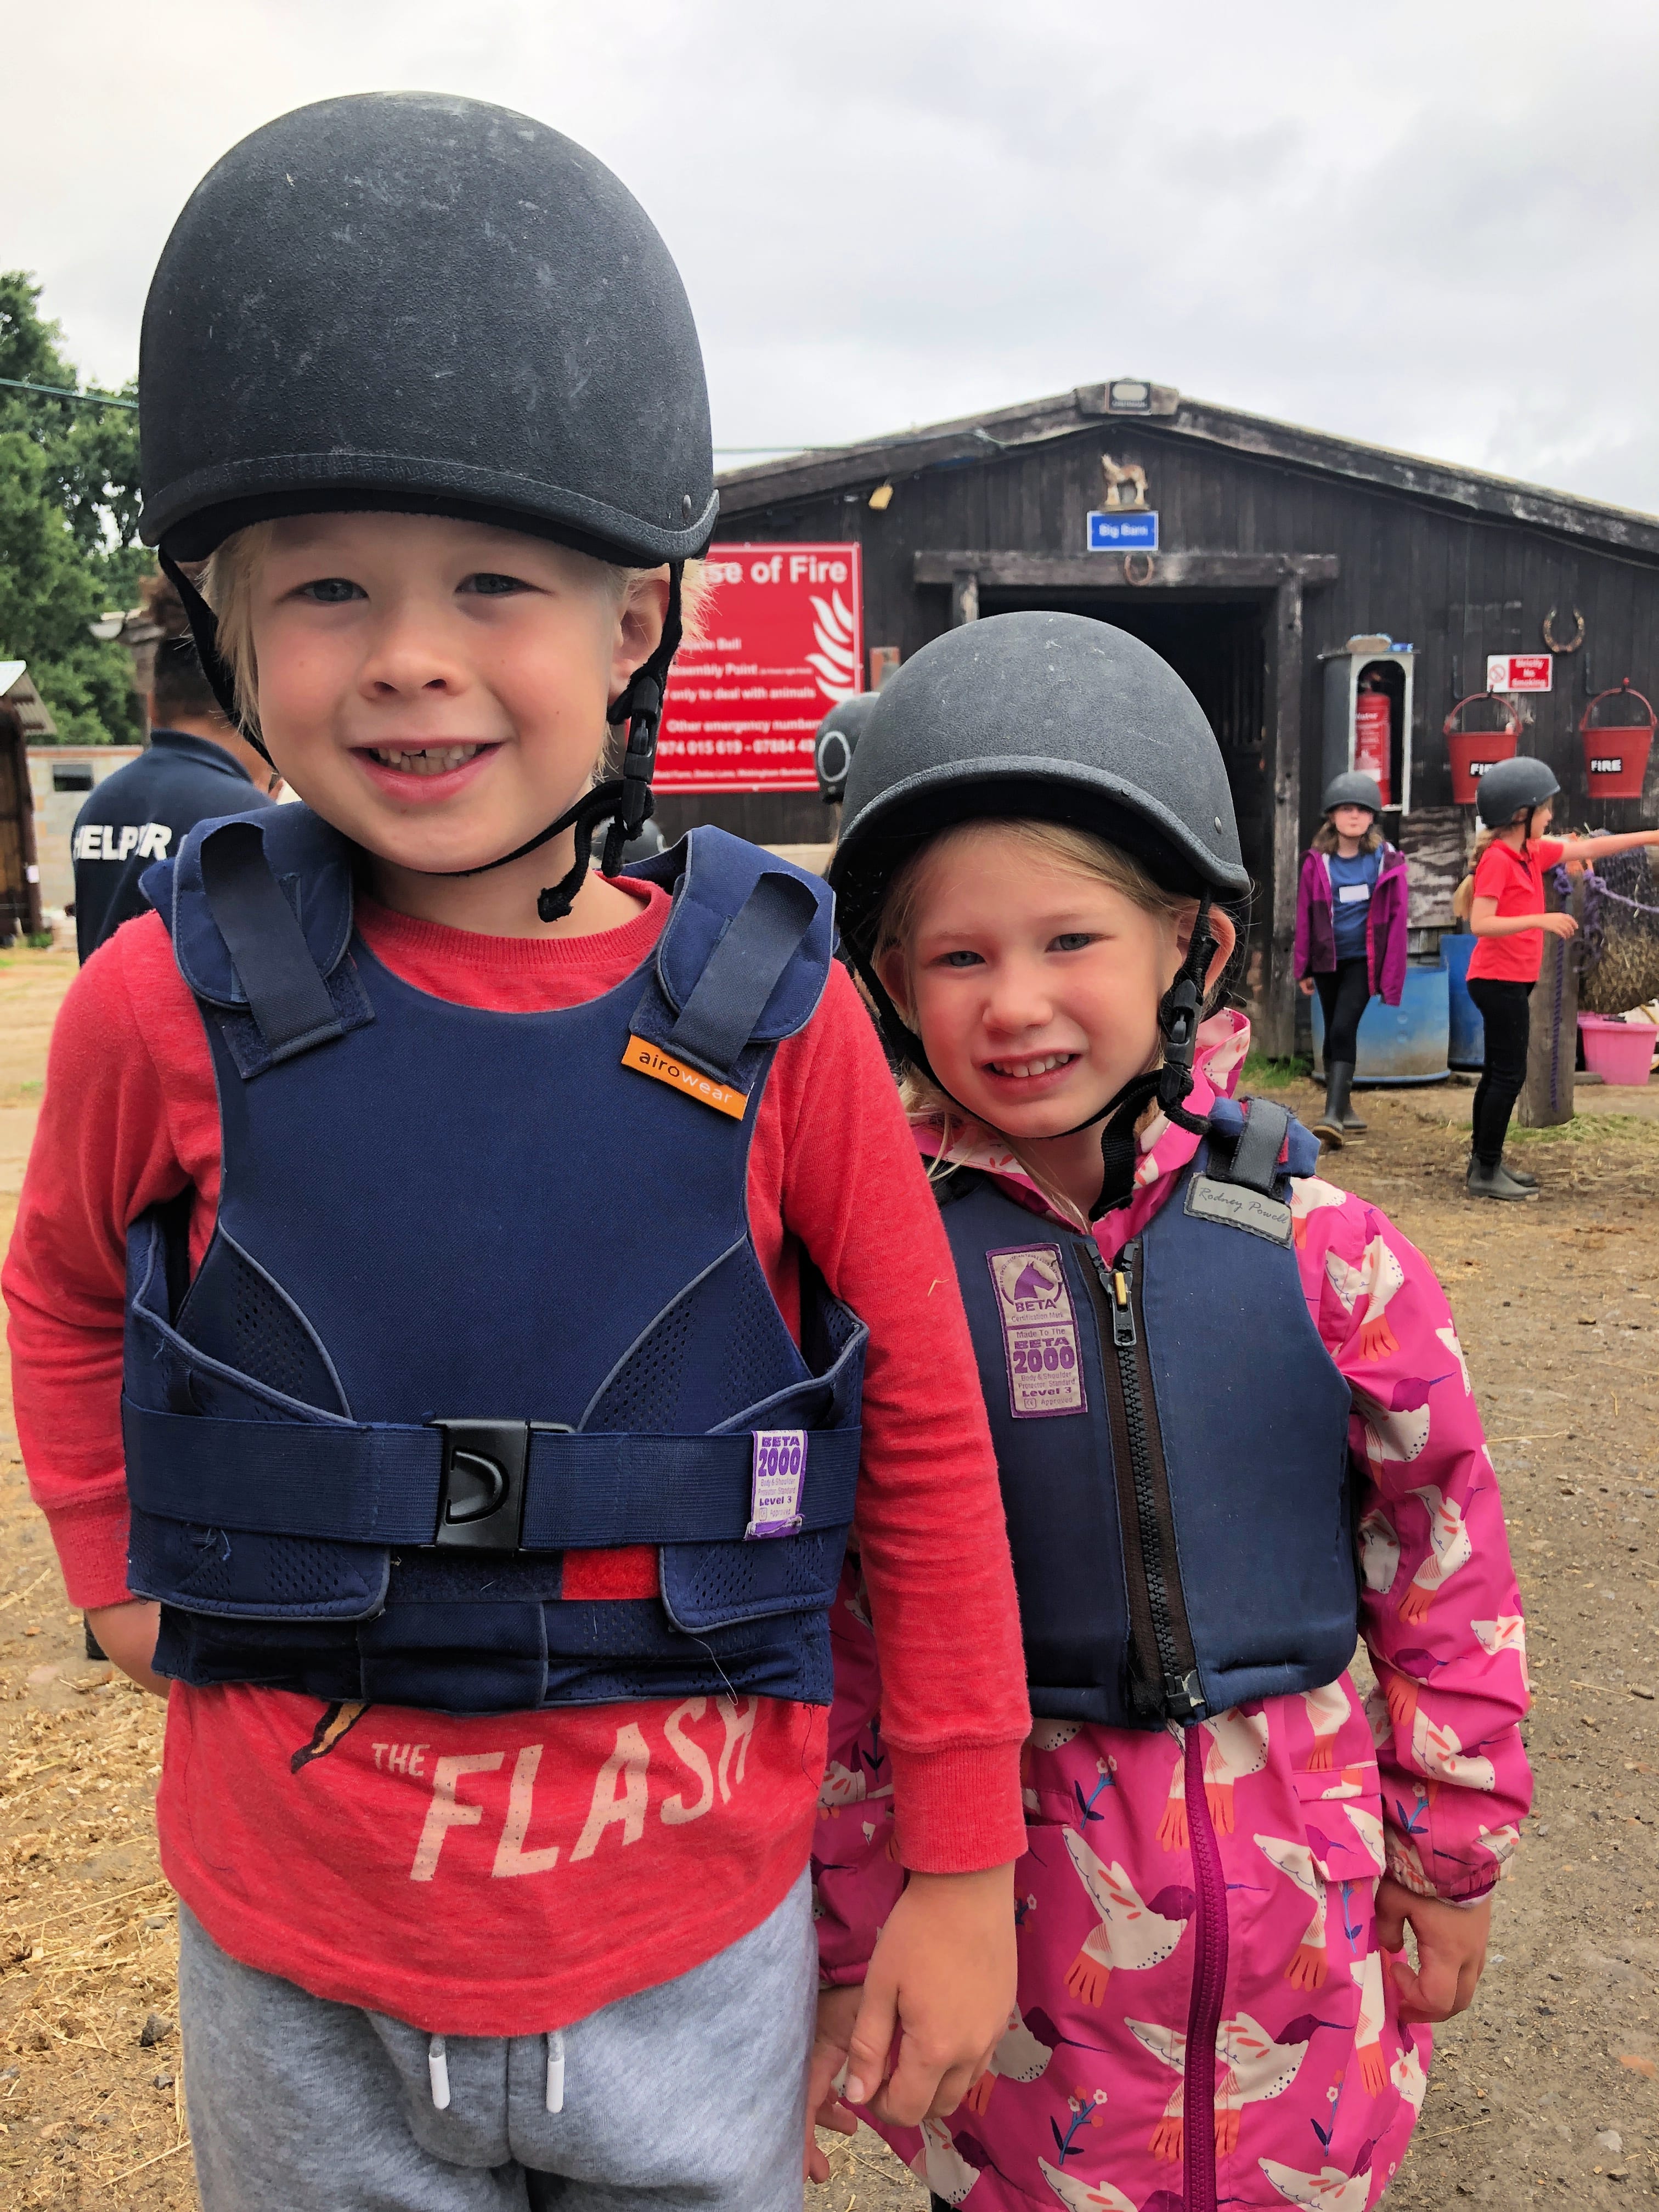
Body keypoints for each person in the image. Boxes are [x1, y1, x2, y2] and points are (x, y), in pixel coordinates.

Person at [3, 95, 1030, 2212]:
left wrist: (960, 1849)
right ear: (224, 622)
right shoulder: (156, 1005)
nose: (407, 655)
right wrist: (112, 1558)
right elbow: (63, 1279)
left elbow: (919, 1424)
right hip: (302, 1956)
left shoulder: (787, 1024)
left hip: (688, 1950)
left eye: (495, 583)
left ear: (636, 626)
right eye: (324, 589)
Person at [805, 612, 1532, 2212]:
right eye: (959, 957)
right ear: (889, 979)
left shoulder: (1328, 1256)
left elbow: (1443, 1559)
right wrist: (858, 1930)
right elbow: (836, 1631)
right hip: (1025, 1965)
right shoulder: (876, 1288)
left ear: (1185, 950)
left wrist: (1452, 1854)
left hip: (1304, 1945)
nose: (1015, 1003)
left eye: (1070, 942)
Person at [1463, 755, 1659, 1201]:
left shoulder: (1530, 851)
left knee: (1498, 1073)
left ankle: (1485, 1162)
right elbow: (1481, 923)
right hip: (1497, 983)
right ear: (1521, 815)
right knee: (1508, 1076)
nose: (1551, 818)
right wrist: (1542, 919)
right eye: (1546, 809)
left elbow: (1589, 850)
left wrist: (1652, 836)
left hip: (1510, 981)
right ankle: (1485, 1169)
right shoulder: (1498, 860)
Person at [69, 571, 279, 962]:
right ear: (250, 706)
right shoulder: (245, 815)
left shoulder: (101, 802)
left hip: (104, 1020)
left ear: (153, 705)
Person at [1294, 771, 1409, 1147]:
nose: (1354, 816)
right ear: (1331, 817)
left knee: (1343, 1027)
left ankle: (1332, 1118)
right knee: (1334, 1029)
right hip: (1327, 960)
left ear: (1373, 816)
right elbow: (1305, 915)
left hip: (1364, 961)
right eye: (1346, 810)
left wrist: (1391, 971)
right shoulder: (1317, 862)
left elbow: (1396, 917)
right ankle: (1343, 1106)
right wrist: (1304, 965)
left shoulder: (1386, 862)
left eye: (1362, 810)